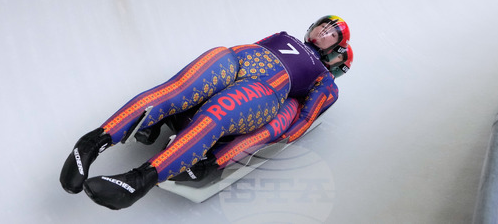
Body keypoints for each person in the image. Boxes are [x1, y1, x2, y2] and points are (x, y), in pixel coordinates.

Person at [59, 15, 353, 210]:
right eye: (324, 25)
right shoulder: (284, 34)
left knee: (216, 115)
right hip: (234, 58)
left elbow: (303, 117)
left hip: (265, 88)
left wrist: (268, 139)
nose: (324, 32)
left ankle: (139, 180)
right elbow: (257, 46)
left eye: (332, 34)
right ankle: (89, 145)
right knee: (174, 90)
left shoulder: (325, 81)